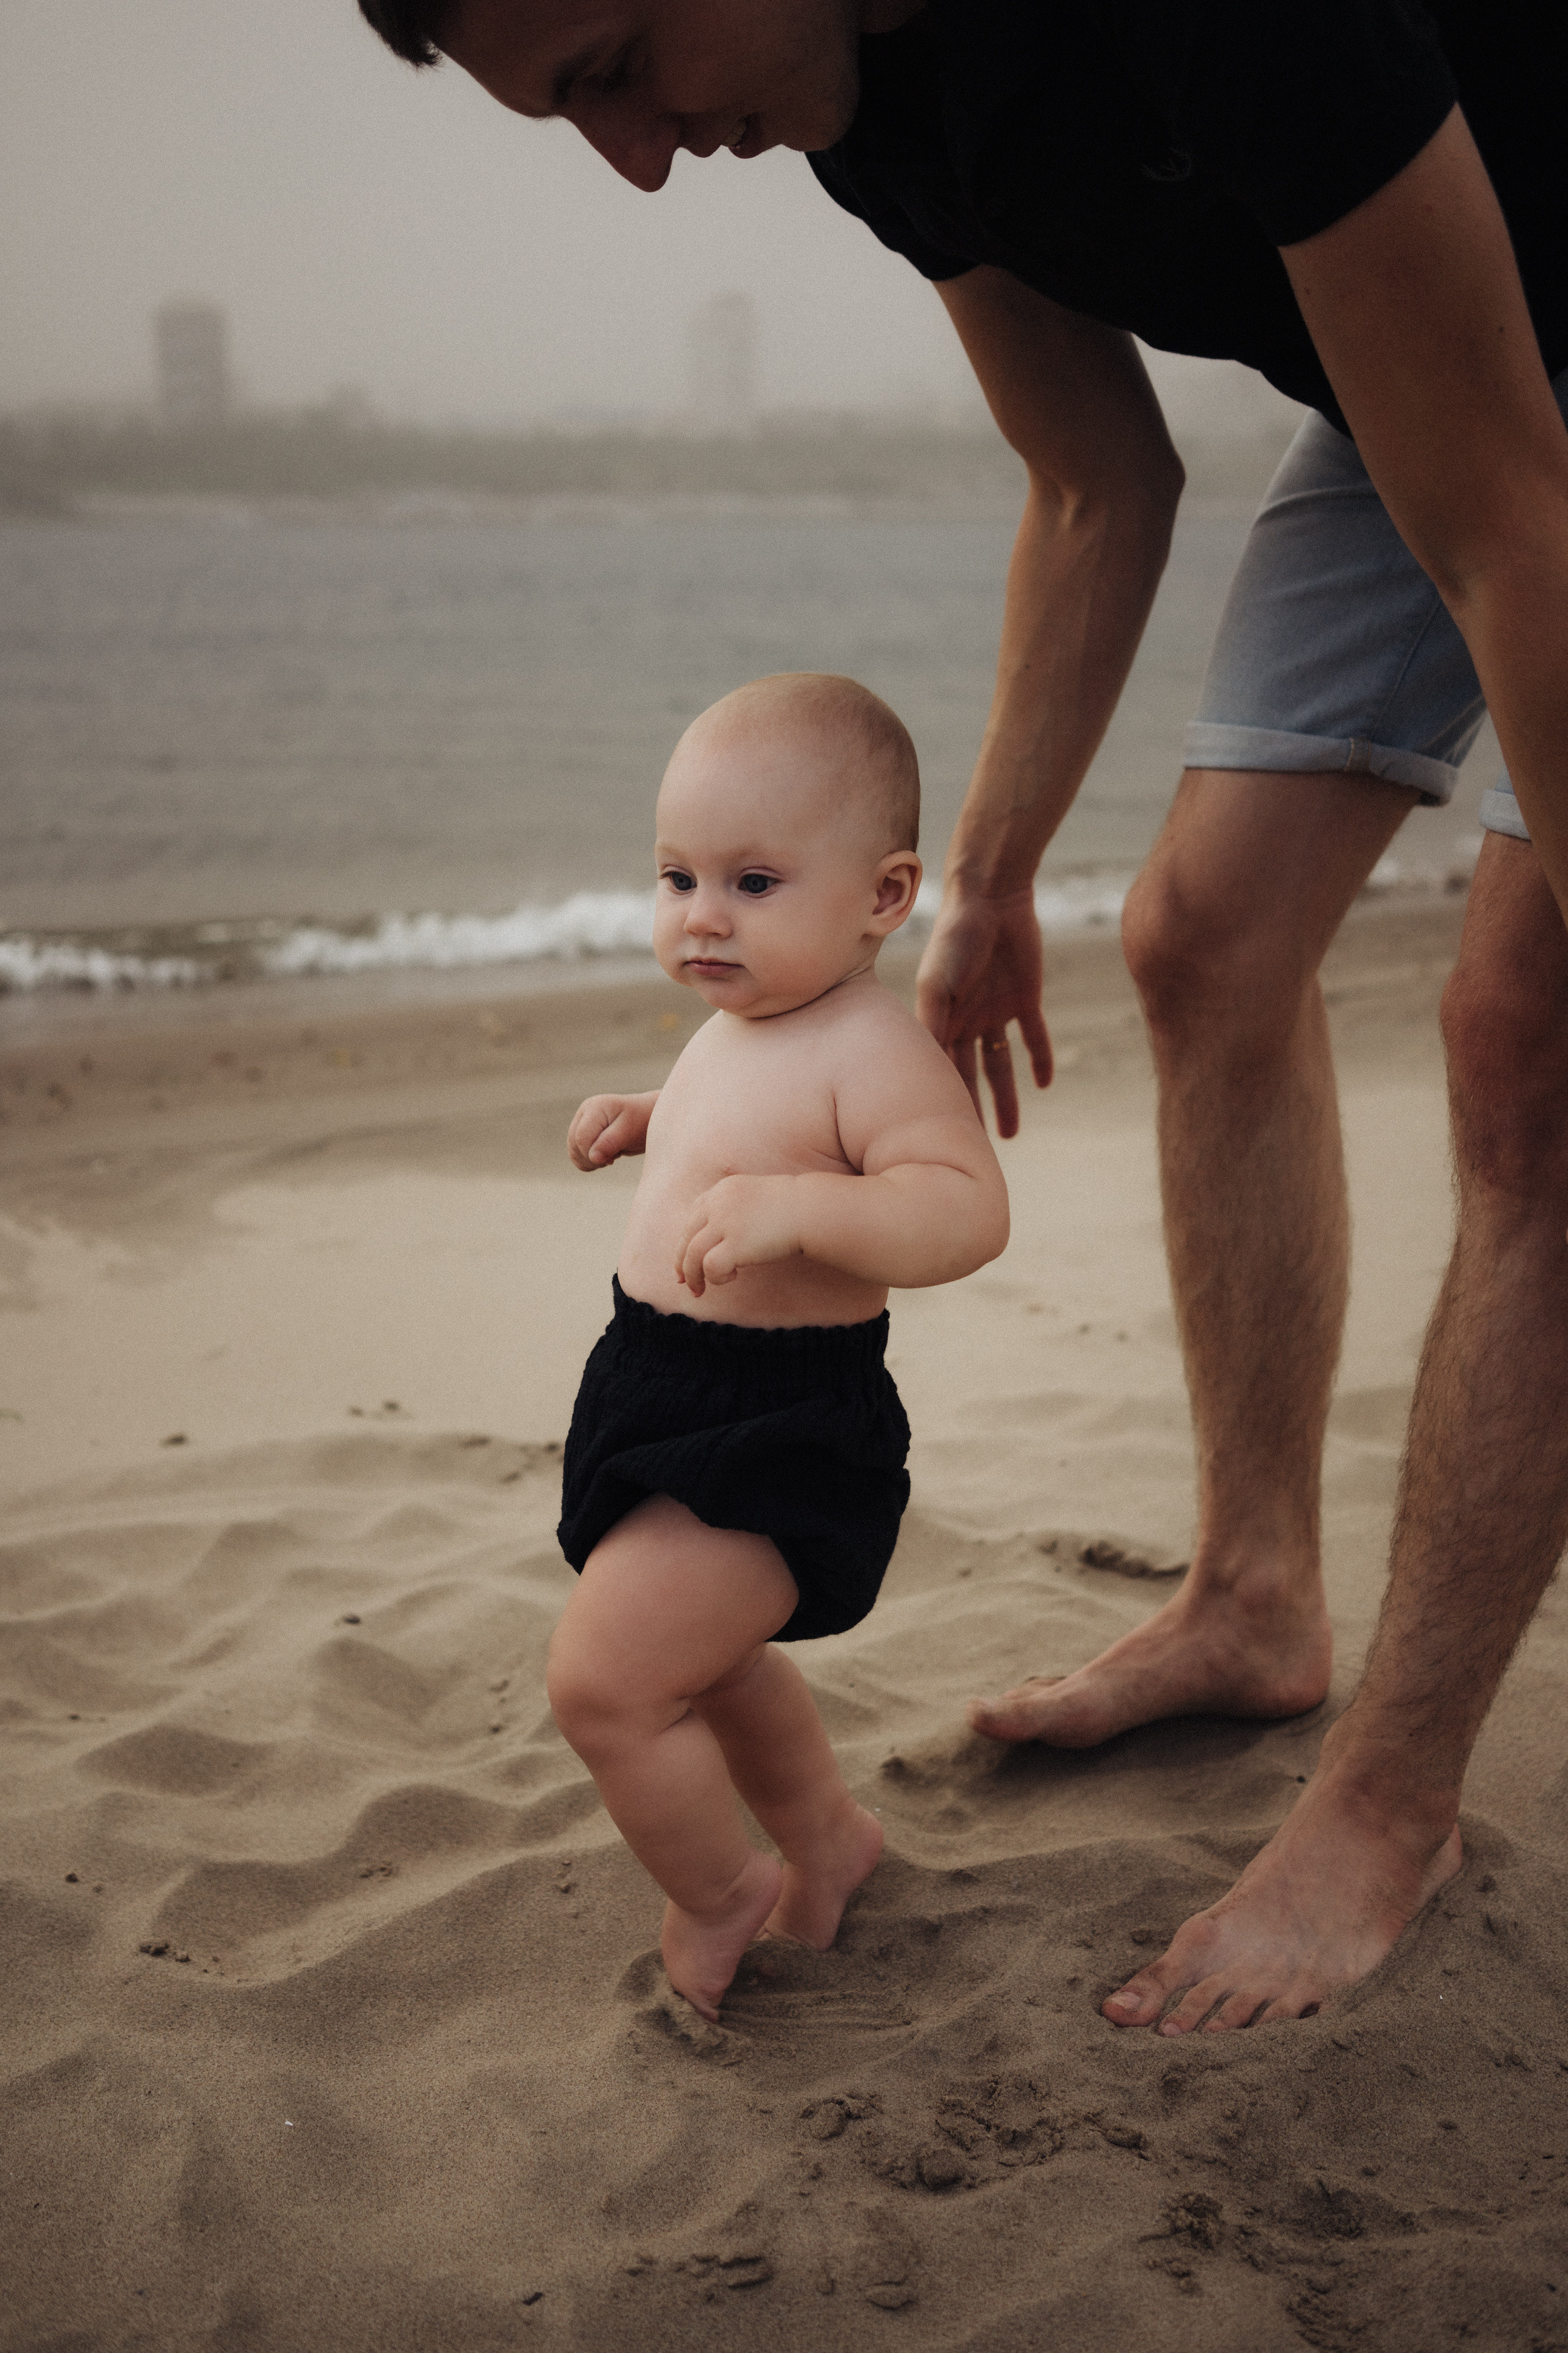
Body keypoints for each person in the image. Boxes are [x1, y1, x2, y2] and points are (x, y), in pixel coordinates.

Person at [355, 0, 1568, 2032]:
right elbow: (1093, 479)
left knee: (1522, 1035)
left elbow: (1505, 522)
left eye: (613, 65)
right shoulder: (852, 109)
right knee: (1195, 938)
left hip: (1491, 420)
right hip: (1424, 378)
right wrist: (989, 875)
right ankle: (1254, 1598)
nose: (643, 159)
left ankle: (1385, 1798)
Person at [549, 673, 1008, 2019]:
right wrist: (652, 1117)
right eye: (677, 876)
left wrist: (807, 1208)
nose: (701, 914)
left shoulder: (875, 1048)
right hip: (658, 1378)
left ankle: (722, 1889)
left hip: (778, 1422)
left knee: (608, 1685)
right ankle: (830, 1842)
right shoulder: (747, 1020)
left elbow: (964, 1211)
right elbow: (736, 1118)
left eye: (752, 881)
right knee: (711, 1661)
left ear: (882, 896)